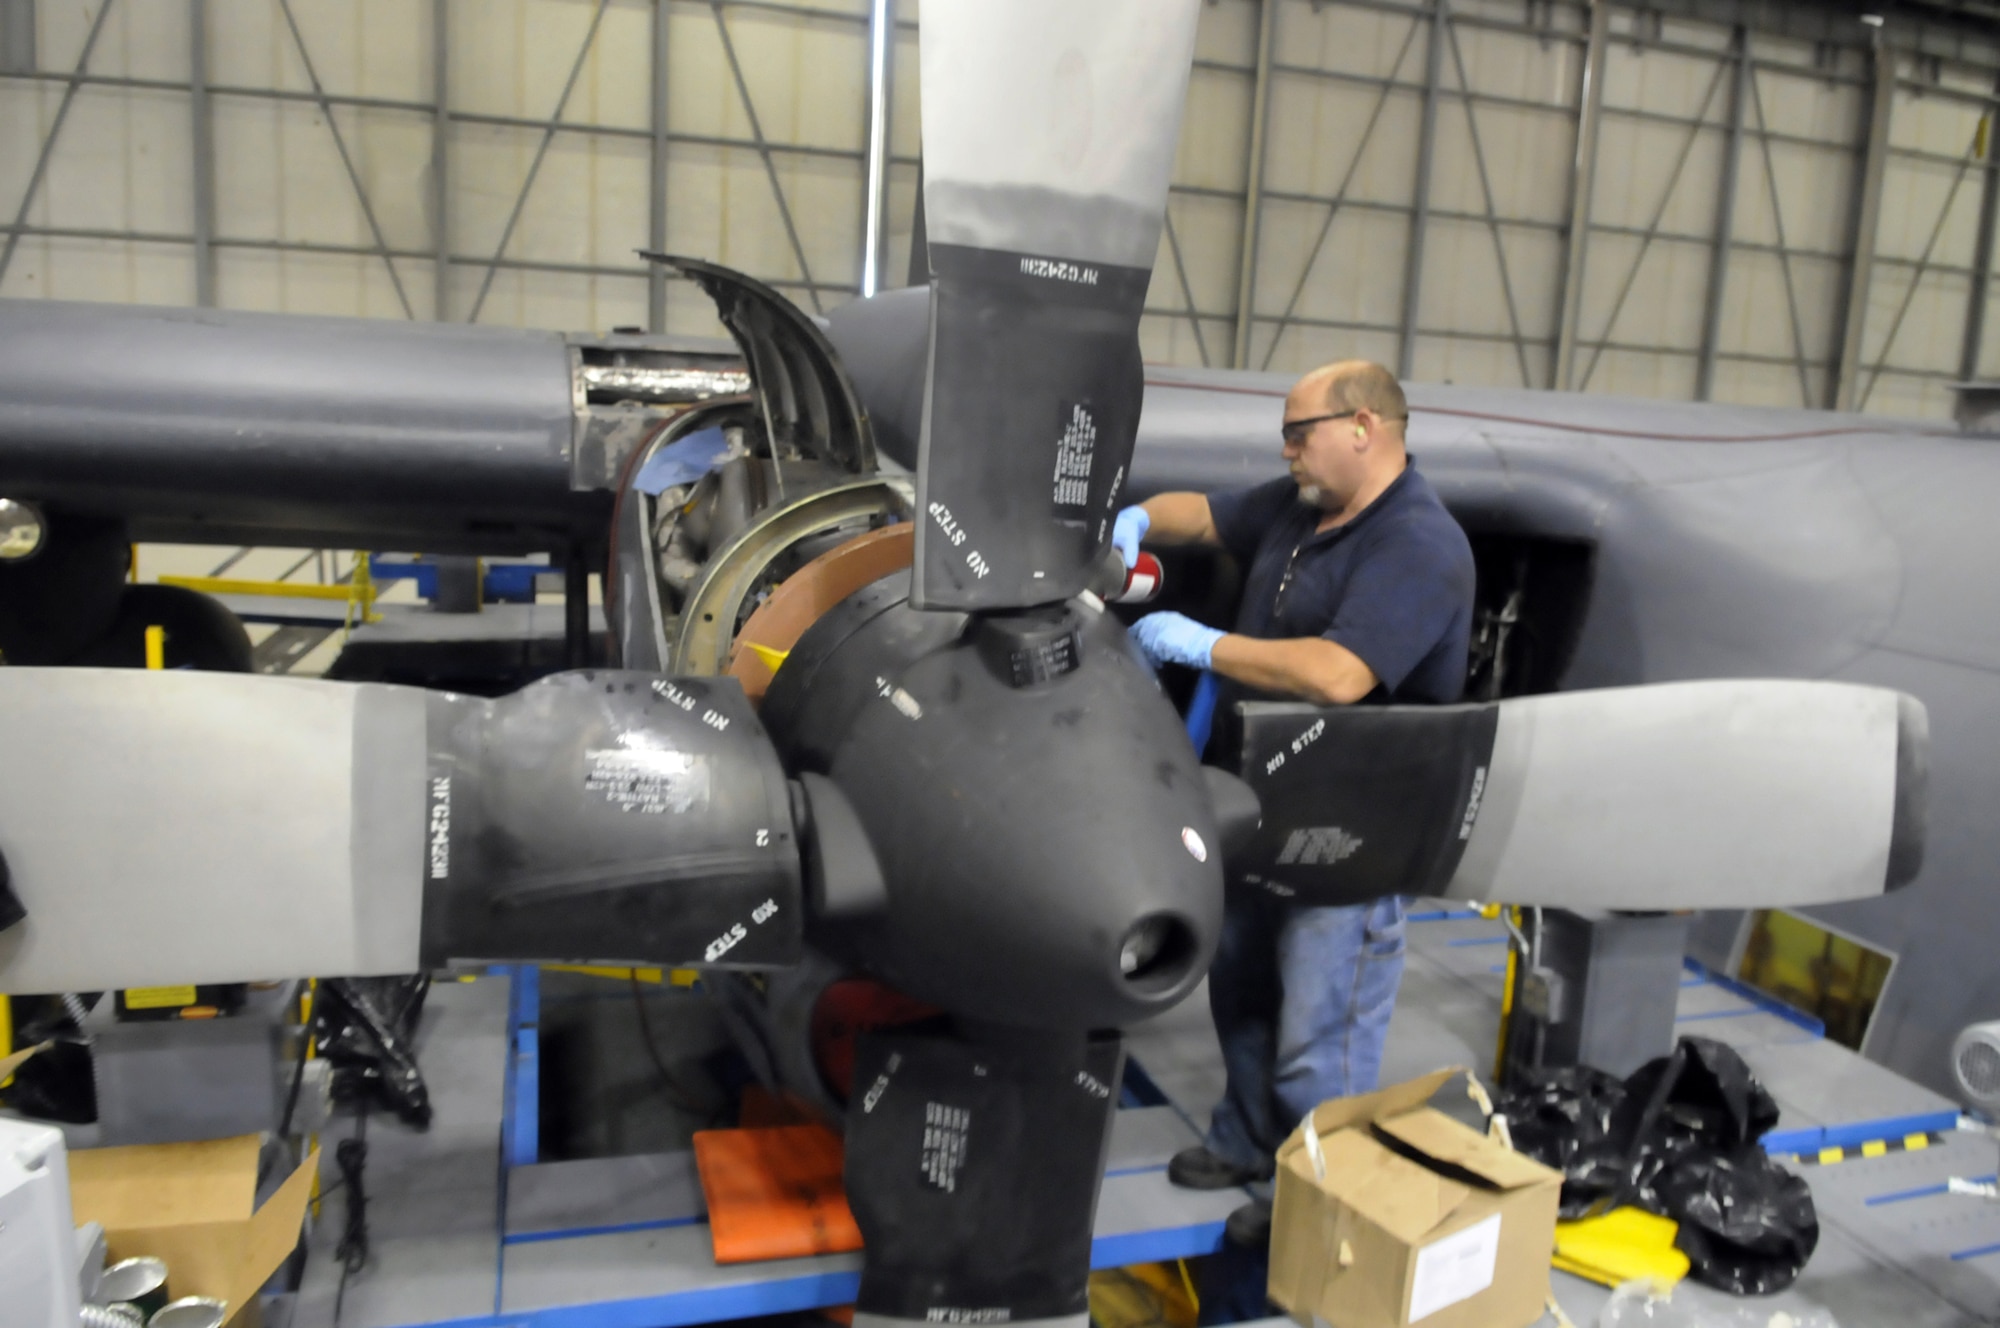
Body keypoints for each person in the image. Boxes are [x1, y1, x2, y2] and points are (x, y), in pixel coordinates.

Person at [1112, 359, 1475, 1246]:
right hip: (1261, 803)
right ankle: (1245, 1137)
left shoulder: (1418, 545)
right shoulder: (1300, 502)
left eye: (1298, 433)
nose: (1287, 452)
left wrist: (1201, 642)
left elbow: (1339, 674)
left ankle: (1317, 1200)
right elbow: (1201, 513)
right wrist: (1130, 519)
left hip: (1353, 829)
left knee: (1324, 1019)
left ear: (1364, 427)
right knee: (1238, 983)